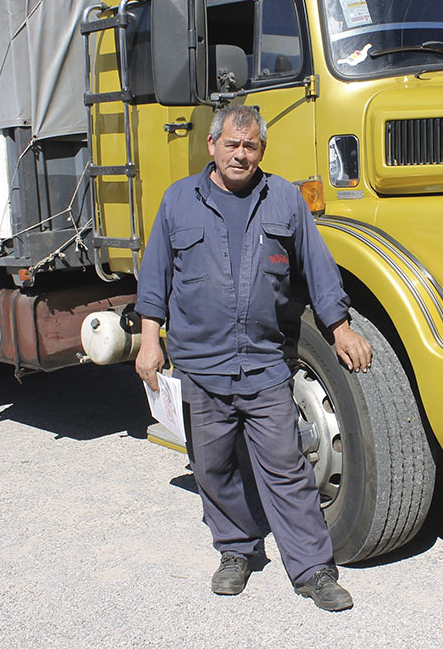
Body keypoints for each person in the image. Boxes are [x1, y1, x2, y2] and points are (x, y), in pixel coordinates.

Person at [134, 104, 373, 612]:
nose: (241, 154)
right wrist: (149, 342)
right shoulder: (179, 200)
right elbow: (155, 278)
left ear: (261, 150)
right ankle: (237, 551)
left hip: (263, 363)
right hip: (201, 365)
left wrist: (342, 328)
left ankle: (313, 570)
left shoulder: (284, 198)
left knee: (285, 467)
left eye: (250, 146)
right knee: (213, 466)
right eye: (232, 144)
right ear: (212, 147)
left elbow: (318, 267)